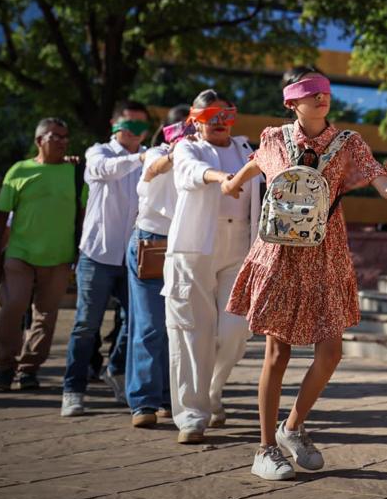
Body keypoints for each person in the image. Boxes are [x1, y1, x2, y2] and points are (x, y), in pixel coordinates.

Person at [223, 67, 387, 482]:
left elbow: (380, 182)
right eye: (310, 91)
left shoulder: (349, 143)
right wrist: (231, 183)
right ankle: (265, 449)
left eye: (325, 90)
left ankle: (292, 427)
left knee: (331, 352)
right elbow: (254, 167)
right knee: (276, 354)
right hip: (280, 255)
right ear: (291, 101)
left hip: (327, 256)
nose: (321, 97)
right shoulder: (272, 138)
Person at [163, 89, 259, 444]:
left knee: (235, 331)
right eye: (210, 116)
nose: (220, 122)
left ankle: (213, 390)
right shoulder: (188, 147)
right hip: (193, 250)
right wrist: (223, 179)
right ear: (194, 120)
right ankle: (191, 415)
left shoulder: (247, 150)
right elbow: (189, 172)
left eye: (226, 115)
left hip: (239, 251)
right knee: (191, 333)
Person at [62, 100, 150, 417]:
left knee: (135, 322)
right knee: (87, 324)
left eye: (142, 126)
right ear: (114, 124)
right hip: (97, 254)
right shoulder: (98, 152)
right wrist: (140, 157)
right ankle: (73, 389)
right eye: (129, 124)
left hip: (133, 257)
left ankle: (116, 370)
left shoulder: (147, 159)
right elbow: (104, 171)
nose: (136, 132)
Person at [0, 118, 86, 392]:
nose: (62, 141)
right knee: (12, 308)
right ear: (39, 141)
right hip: (20, 254)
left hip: (59, 257)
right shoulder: (20, 170)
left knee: (46, 316)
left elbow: (83, 216)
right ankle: (4, 366)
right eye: (55, 137)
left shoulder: (76, 174)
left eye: (65, 137)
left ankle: (29, 369)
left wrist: (80, 252)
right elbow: (0, 214)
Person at [125, 105, 191, 427]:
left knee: (176, 328)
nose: (189, 129)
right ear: (168, 130)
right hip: (151, 242)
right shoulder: (155, 152)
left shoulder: (202, 155)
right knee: (150, 326)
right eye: (183, 125)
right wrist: (178, 152)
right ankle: (143, 403)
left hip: (185, 245)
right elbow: (153, 169)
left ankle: (168, 397)